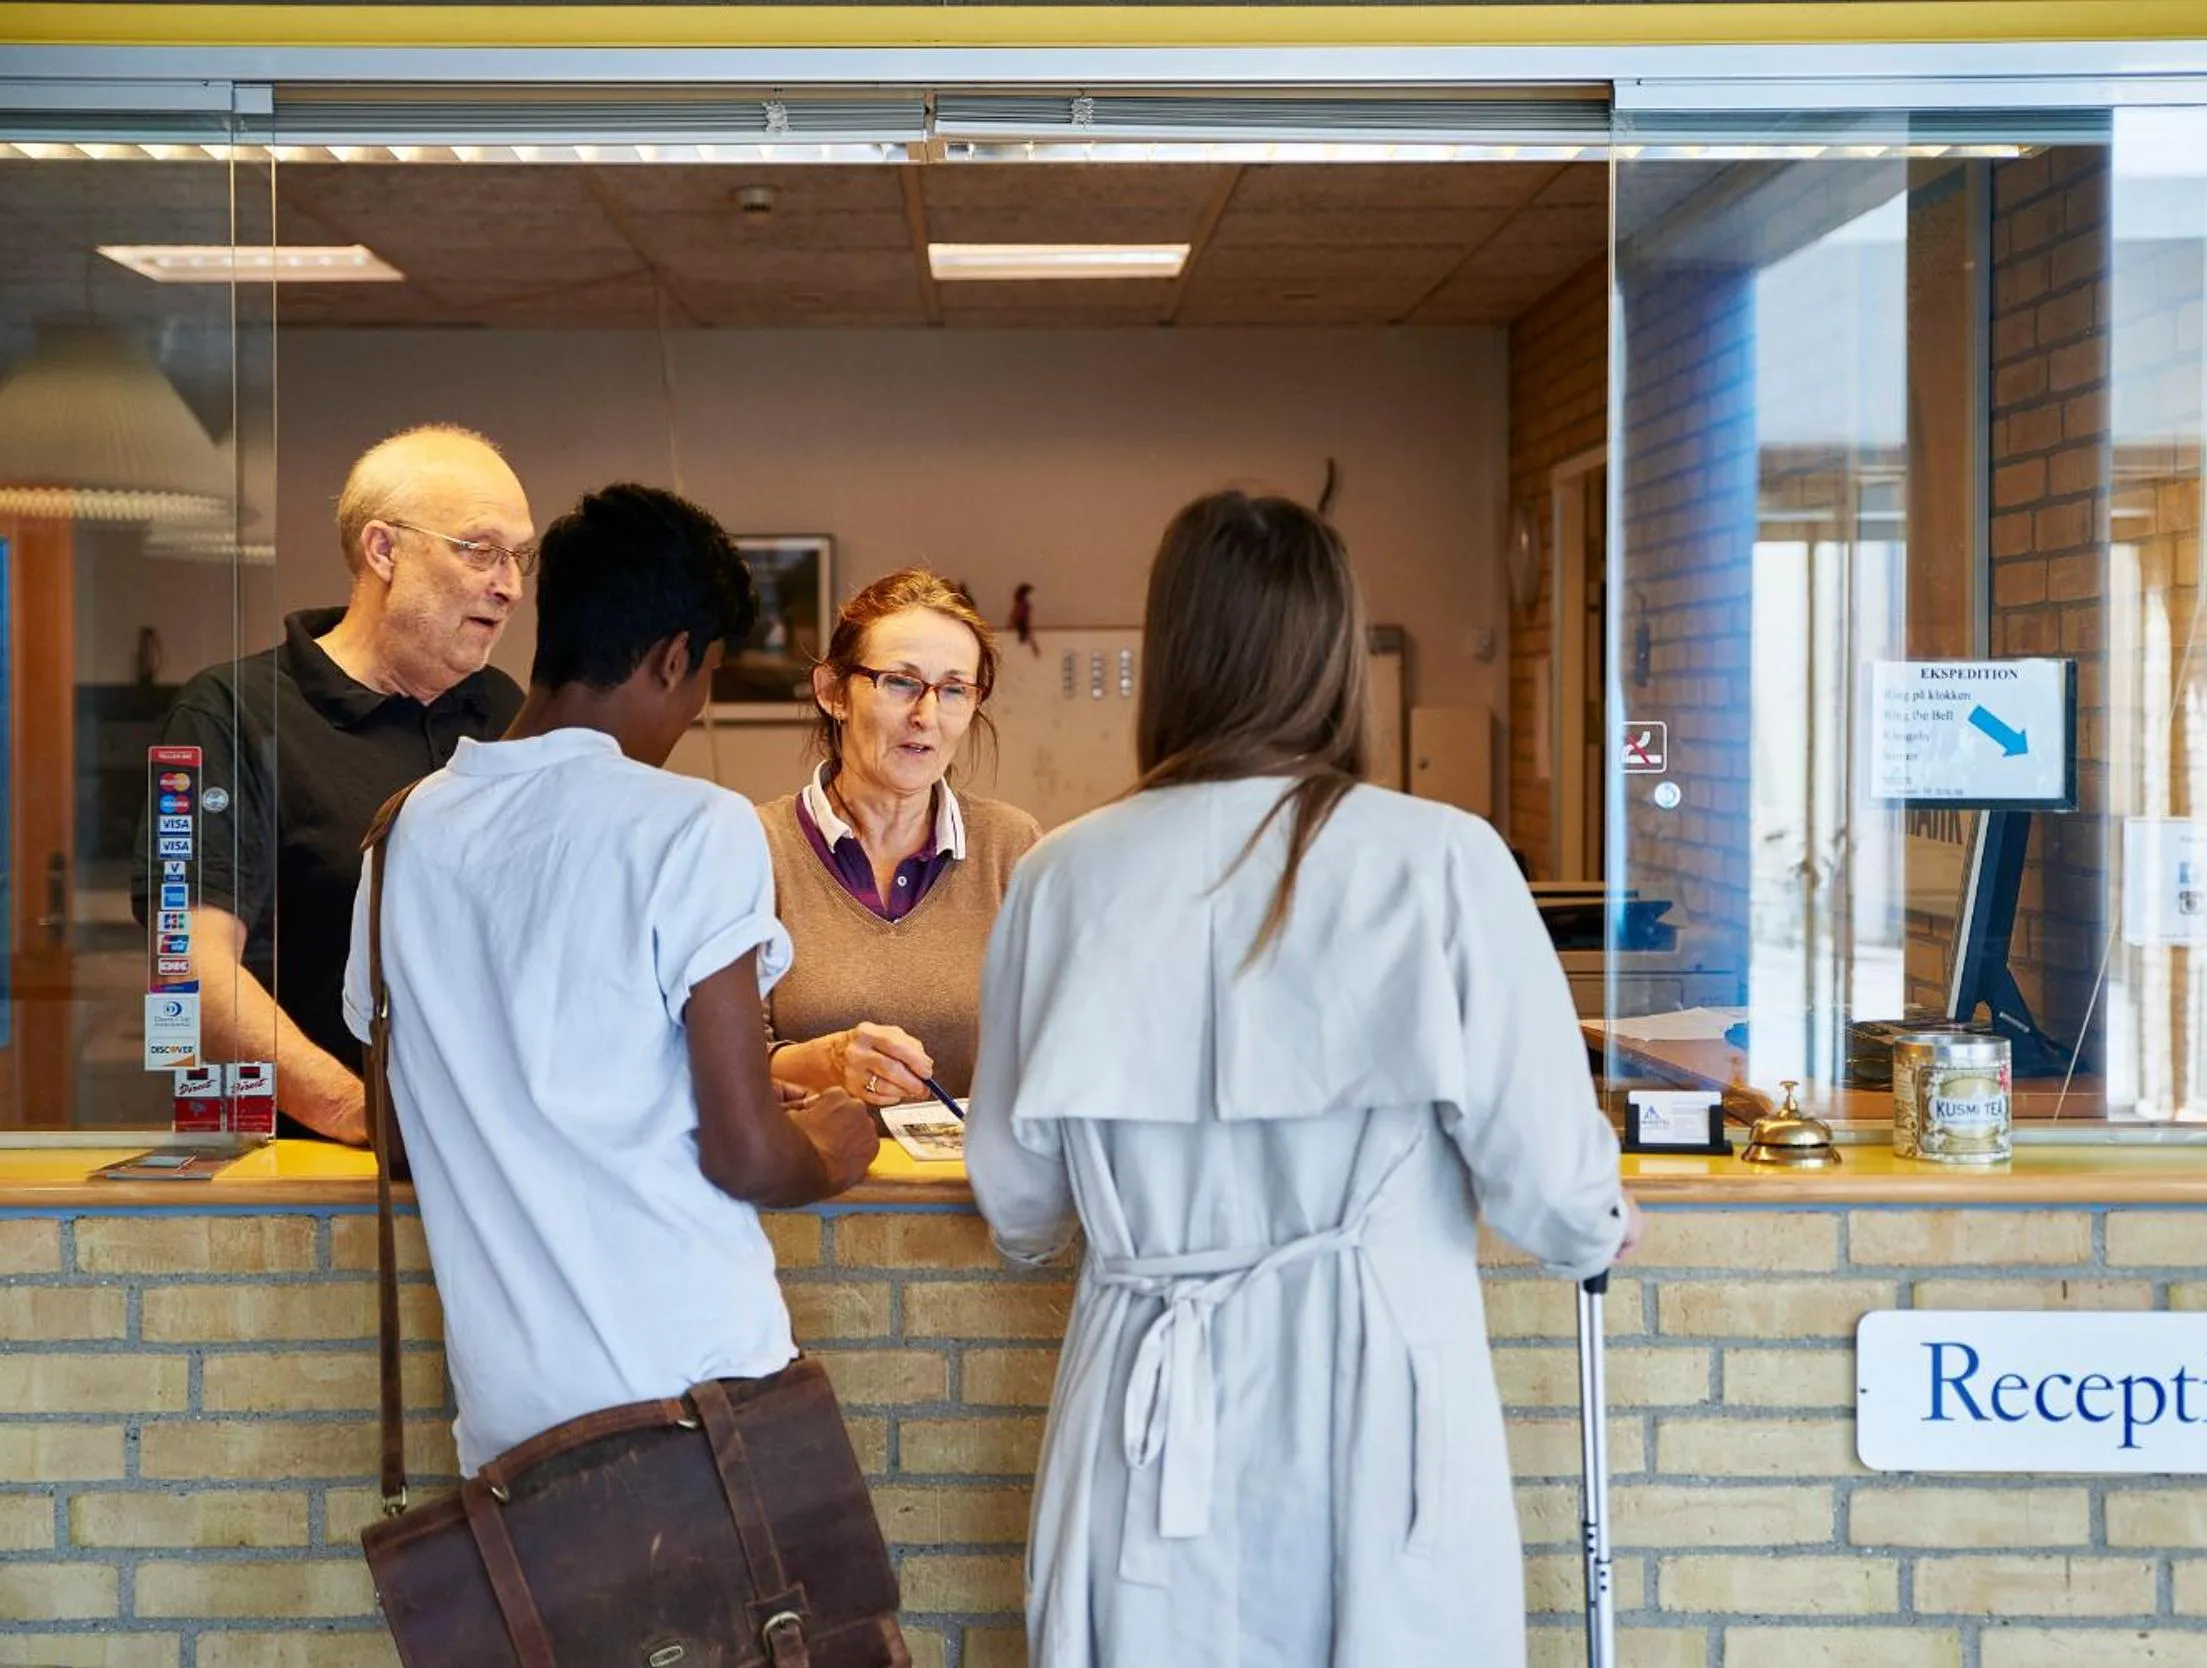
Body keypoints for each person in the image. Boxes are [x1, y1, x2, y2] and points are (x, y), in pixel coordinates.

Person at [966, 491, 1641, 1668]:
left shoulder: (1061, 878)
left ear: (1171, 655)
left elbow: (1020, 1198)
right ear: (1337, 657)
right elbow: (1548, 1184)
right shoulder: (1441, 861)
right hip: (1373, 1393)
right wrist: (1595, 1226)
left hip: (1144, 1393)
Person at [343, 481, 880, 1474]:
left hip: (510, 1420)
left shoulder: (403, 831)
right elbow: (746, 1156)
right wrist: (838, 1143)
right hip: (693, 1384)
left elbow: (398, 1120)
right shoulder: (694, 826)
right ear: (676, 656)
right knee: (782, 1638)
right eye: (705, 676)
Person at [135, 424, 534, 1143]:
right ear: (384, 550)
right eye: (480, 550)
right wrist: (362, 1117)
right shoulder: (234, 712)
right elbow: (186, 964)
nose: (507, 586)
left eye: (519, 558)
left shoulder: (506, 711)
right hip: (308, 1170)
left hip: (497, 1158)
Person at [762, 569, 1040, 1110]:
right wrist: (829, 1063)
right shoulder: (752, 846)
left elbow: (1056, 1046)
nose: (926, 716)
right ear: (832, 693)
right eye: (900, 682)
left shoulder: (1013, 847)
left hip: (967, 1192)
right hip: (804, 1191)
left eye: (954, 690)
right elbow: (710, 1062)